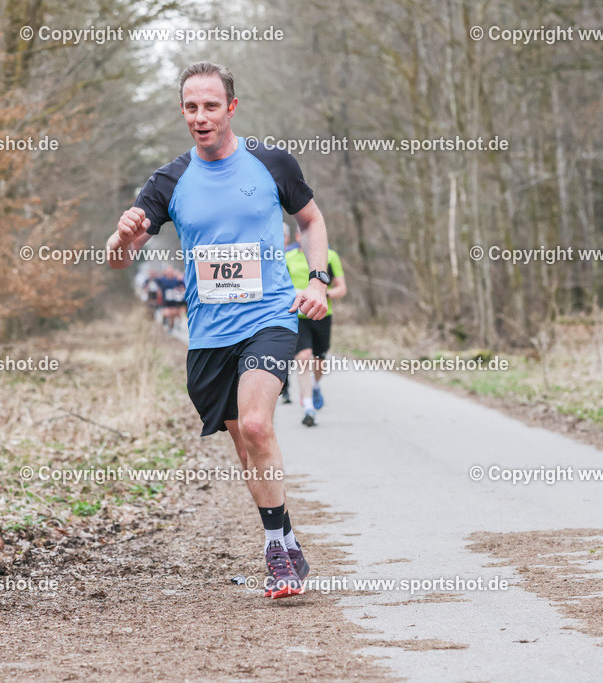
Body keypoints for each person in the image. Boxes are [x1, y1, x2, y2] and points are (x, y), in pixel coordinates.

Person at [106, 61, 332, 599]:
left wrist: (318, 281)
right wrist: (121, 236)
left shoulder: (270, 163)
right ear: (182, 111)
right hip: (208, 335)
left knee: (257, 426)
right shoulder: (167, 181)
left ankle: (276, 554)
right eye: (191, 107)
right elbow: (119, 260)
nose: (201, 117)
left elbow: (312, 221)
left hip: (269, 318)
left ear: (231, 108)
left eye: (211, 106)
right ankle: (284, 538)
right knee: (245, 448)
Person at [283, 224, 347, 425]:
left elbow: (342, 288)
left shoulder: (330, 256)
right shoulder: (288, 258)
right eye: (303, 234)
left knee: (319, 361)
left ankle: (316, 386)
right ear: (297, 236)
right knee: (303, 357)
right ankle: (308, 407)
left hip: (322, 314)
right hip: (298, 317)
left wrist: (322, 294)